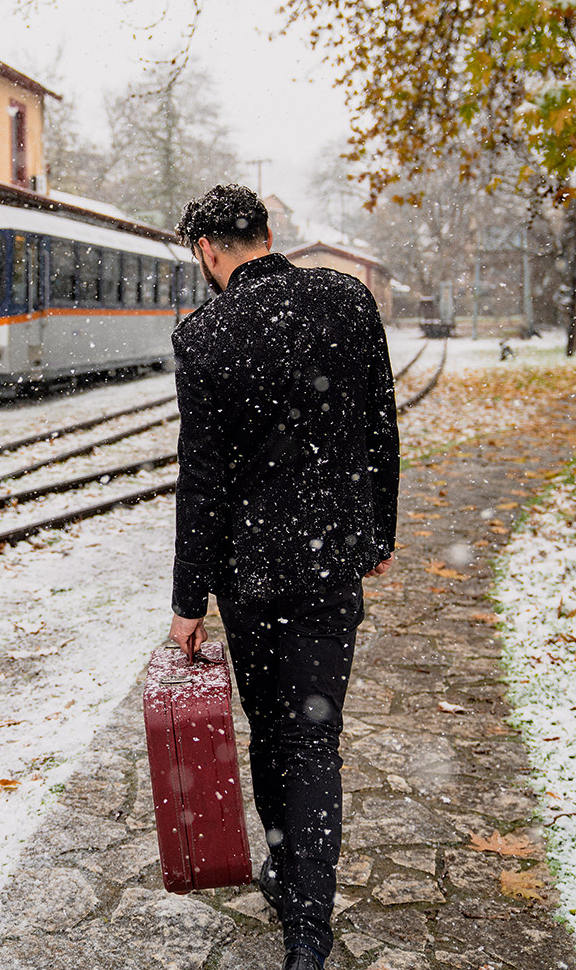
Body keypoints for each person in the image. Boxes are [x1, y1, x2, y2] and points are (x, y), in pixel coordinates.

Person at [167, 185, 399, 970]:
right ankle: (309, 925)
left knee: (272, 728)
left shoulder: (203, 335)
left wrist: (188, 601)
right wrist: (378, 531)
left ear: (207, 249)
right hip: (329, 563)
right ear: (269, 233)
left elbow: (201, 483)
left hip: (253, 575)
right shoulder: (348, 300)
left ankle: (287, 875)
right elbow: (379, 424)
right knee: (315, 737)